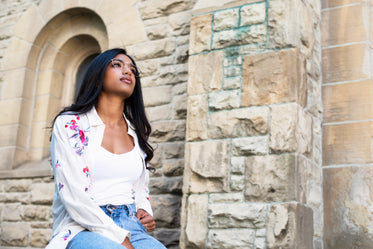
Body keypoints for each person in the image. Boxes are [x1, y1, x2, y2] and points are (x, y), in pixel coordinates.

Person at [46, 48, 167, 249]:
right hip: (82, 226)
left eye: (132, 69)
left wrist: (144, 209)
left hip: (132, 226)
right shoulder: (70, 124)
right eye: (117, 65)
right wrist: (117, 236)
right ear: (97, 76)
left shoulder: (136, 131)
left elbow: (139, 184)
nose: (128, 71)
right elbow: (72, 194)